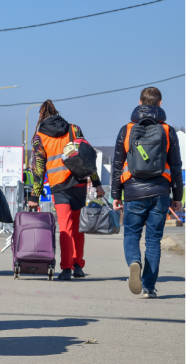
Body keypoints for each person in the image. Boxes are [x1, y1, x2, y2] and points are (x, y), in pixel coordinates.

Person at [111, 87, 183, 298]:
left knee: (132, 234)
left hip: (133, 191)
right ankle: (149, 287)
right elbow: (176, 166)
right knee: (153, 240)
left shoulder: (126, 130)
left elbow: (117, 166)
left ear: (140, 102)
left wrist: (116, 195)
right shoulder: (168, 131)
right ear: (160, 104)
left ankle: (134, 261)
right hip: (160, 192)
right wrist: (177, 197)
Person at [27, 100, 104, 281]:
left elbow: (38, 169)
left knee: (65, 226)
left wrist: (34, 196)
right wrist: (97, 183)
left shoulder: (40, 137)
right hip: (78, 182)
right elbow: (88, 156)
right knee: (78, 226)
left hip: (59, 186)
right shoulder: (73, 129)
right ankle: (78, 265)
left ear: (42, 117)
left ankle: (66, 268)